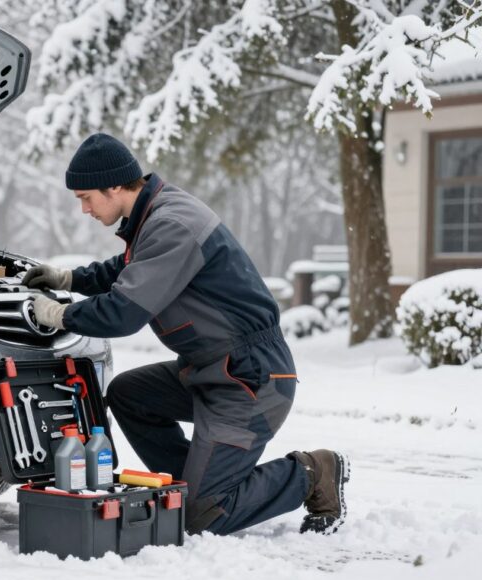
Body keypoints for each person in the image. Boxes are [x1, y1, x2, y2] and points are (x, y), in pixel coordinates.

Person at [24, 133, 348, 536]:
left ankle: (312, 472)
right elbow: (127, 270)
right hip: (210, 370)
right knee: (129, 394)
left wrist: (61, 314)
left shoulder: (171, 223)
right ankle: (193, 487)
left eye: (86, 197)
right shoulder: (153, 215)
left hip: (250, 379)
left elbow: (124, 313)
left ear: (113, 186)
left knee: (201, 516)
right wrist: (70, 277)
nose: (84, 209)